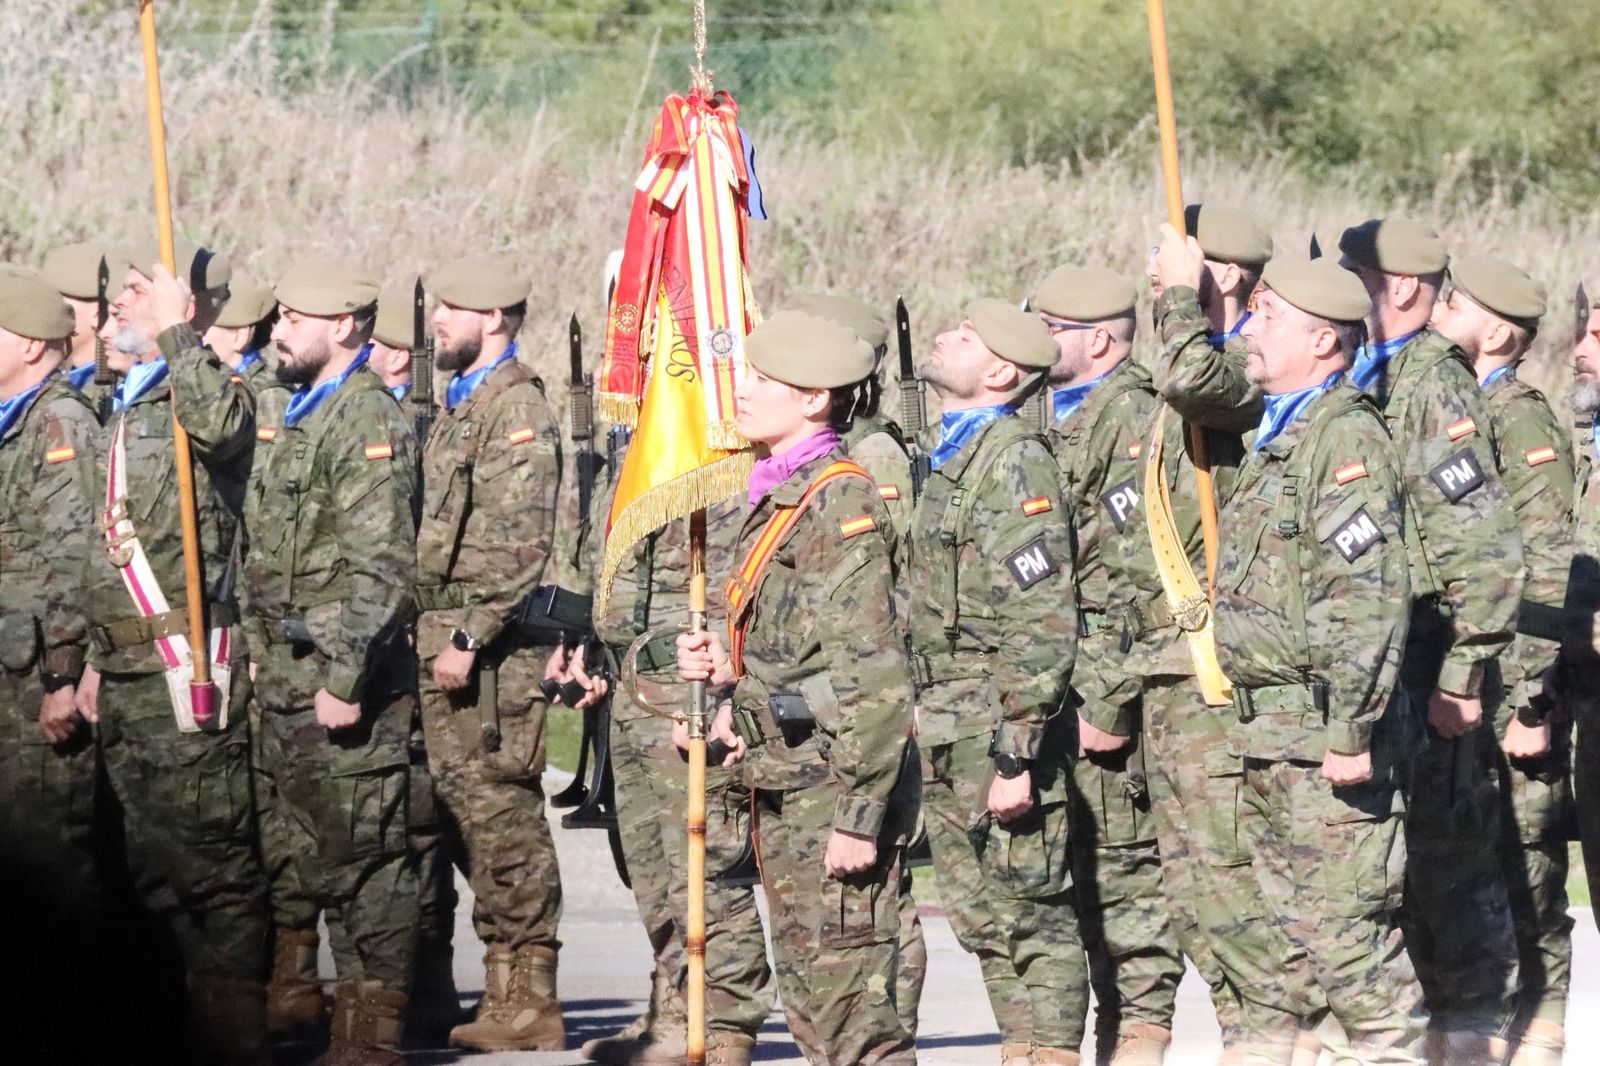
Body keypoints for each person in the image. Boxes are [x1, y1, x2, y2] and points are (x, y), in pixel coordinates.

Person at [677, 309, 918, 1065]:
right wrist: (729, 672)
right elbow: (799, 647)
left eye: (763, 380)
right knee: (814, 1011)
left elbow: (875, 675)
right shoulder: (785, 491)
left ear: (814, 399)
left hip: (830, 787)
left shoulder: (837, 500)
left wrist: (859, 817)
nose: (742, 391)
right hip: (785, 776)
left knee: (853, 1020)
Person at [1208, 256, 1427, 1063]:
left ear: (1324, 341)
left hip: (1324, 737)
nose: (1249, 328)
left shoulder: (1343, 437)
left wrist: (1351, 729)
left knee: (1350, 947)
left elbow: (1367, 596)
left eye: (1268, 315)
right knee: (1296, 949)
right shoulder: (1282, 432)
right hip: (1273, 736)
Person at [75, 240, 269, 1064]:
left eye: (137, 291)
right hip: (123, 668)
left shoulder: (210, 389)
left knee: (211, 868)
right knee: (147, 873)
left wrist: (178, 334)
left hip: (182, 664)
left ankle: (237, 1036)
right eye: (124, 292)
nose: (121, 304)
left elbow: (224, 431)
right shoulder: (126, 400)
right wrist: (92, 657)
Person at [1339, 218, 1525, 1061]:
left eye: (1354, 272)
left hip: (1429, 658)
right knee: (1397, 871)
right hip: (1384, 661)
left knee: (1448, 866)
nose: (1342, 286)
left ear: (1403, 286)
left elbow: (1484, 546)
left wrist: (1462, 674)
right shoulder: (1368, 373)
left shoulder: (1431, 383)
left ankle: (1473, 1036)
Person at [1146, 206, 1327, 1060]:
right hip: (1175, 676)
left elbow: (1195, 381)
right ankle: (1252, 1037)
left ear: (1220, 275)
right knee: (1197, 898)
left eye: (1172, 261)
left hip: (1231, 680)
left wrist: (1184, 298)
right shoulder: (1185, 358)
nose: (1156, 273)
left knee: (1239, 890)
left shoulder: (1252, 372)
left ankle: (1281, 1040)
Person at [243, 257, 420, 1066]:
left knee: (366, 870)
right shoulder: (304, 411)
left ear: (344, 326)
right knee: (315, 859)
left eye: (293, 318)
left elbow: (381, 569)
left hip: (343, 689)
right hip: (288, 681)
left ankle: (370, 1044)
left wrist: (345, 677)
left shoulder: (364, 419)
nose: (277, 331)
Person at [904, 299, 1086, 1066]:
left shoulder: (1014, 460)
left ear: (1002, 372)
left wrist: (1017, 753)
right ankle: (1020, 1048)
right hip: (952, 716)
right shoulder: (956, 453)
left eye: (967, 337)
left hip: (995, 721)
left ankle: (1051, 1053)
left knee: (1031, 911)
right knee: (980, 914)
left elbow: (1040, 617)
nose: (945, 337)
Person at [412, 253, 568, 1052]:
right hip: (442, 637)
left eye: (454, 308)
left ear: (495, 319)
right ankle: (499, 988)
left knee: (503, 819)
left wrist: (469, 634)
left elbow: (519, 542)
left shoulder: (517, 408)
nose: (438, 321)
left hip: (487, 656)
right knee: (462, 821)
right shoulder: (461, 402)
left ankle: (531, 997)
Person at [1032, 264, 1184, 1064]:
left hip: (1098, 683)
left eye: (1049, 327)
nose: (1034, 339)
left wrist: (1110, 697)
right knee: (1067, 878)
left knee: (1124, 885)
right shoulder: (1048, 412)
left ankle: (1137, 1043)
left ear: (1097, 341)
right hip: (1052, 681)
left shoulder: (1131, 414)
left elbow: (1141, 575)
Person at [1431, 254, 1575, 1063]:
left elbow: (1548, 563)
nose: (1439, 311)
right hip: (1467, 675)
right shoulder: (1451, 405)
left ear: (1492, 332)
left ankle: (1540, 1025)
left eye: (1455, 304)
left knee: (1527, 865)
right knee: (1473, 860)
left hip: (1513, 678)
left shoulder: (1517, 417)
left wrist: (1531, 700)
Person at [0, 273, 109, 1058]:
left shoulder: (60, 422)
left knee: (50, 858)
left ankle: (72, 1023)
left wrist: (63, 677)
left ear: (33, 347)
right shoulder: (14, 419)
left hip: (35, 677)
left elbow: (76, 563)